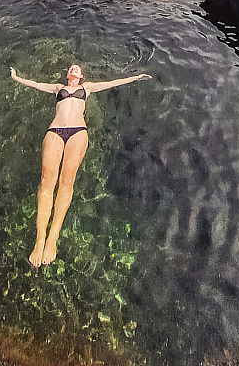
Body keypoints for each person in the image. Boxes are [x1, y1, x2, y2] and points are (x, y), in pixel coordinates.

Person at [9, 63, 152, 267]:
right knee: (46, 181)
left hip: (78, 132)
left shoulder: (88, 88)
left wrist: (135, 78)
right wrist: (16, 77)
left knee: (66, 182)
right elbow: (35, 84)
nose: (74, 69)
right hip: (55, 131)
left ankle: (52, 238)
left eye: (77, 68)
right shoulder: (58, 88)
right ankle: (40, 239)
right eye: (71, 68)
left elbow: (112, 83)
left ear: (81, 75)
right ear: (68, 75)